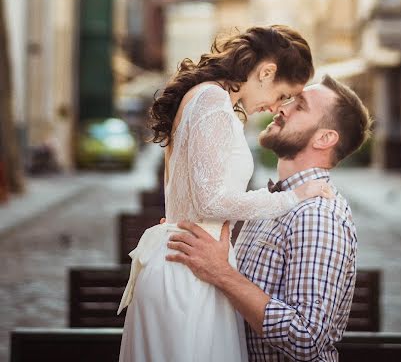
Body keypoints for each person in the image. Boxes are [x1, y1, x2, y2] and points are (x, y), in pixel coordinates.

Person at [118, 25, 333, 362]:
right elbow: (211, 200)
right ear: (266, 72)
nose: (277, 107)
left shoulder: (214, 101)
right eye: (282, 95)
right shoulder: (212, 100)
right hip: (187, 271)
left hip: (193, 261)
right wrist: (292, 197)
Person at [166, 75, 372, 361]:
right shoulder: (271, 201)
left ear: (325, 138)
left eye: (299, 106)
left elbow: (306, 338)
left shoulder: (318, 215)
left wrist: (222, 273)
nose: (282, 108)